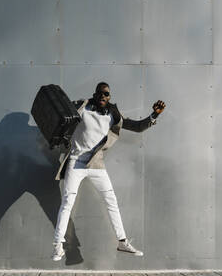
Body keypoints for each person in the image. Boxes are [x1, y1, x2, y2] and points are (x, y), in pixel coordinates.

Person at [51, 82, 166, 261]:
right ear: (95, 94)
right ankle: (58, 245)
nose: (104, 96)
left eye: (107, 94)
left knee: (111, 201)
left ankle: (122, 241)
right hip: (76, 162)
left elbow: (136, 126)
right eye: (101, 93)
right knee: (67, 202)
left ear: (110, 97)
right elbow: (62, 116)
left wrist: (154, 115)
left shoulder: (113, 114)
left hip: (96, 164)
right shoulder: (82, 107)